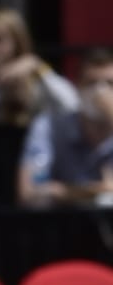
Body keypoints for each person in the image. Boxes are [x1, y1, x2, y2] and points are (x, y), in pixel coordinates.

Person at [19, 47, 113, 206]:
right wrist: (85, 192)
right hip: (66, 226)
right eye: (91, 83)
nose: (100, 92)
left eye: (110, 84)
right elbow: (29, 195)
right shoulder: (48, 127)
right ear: (77, 87)